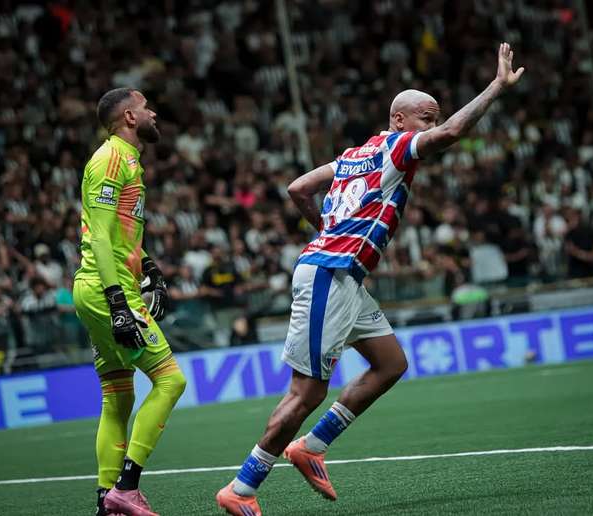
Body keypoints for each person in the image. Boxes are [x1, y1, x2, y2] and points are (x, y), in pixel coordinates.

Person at [216, 43, 524, 515]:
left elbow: (299, 187)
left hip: (345, 277)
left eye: (432, 116)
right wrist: (497, 87)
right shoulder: (398, 147)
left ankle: (311, 447)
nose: (431, 124)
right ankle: (240, 489)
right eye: (425, 116)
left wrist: (327, 229)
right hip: (330, 273)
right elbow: (454, 132)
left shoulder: (353, 155)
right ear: (399, 120)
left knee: (390, 363)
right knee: (307, 392)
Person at [73, 88, 186, 516]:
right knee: (171, 381)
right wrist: (119, 300)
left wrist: (150, 265)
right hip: (107, 290)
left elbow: (117, 232)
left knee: (118, 397)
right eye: (146, 107)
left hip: (101, 287)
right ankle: (127, 487)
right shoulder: (110, 159)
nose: (154, 112)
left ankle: (107, 503)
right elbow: (98, 236)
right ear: (129, 117)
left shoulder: (129, 160)